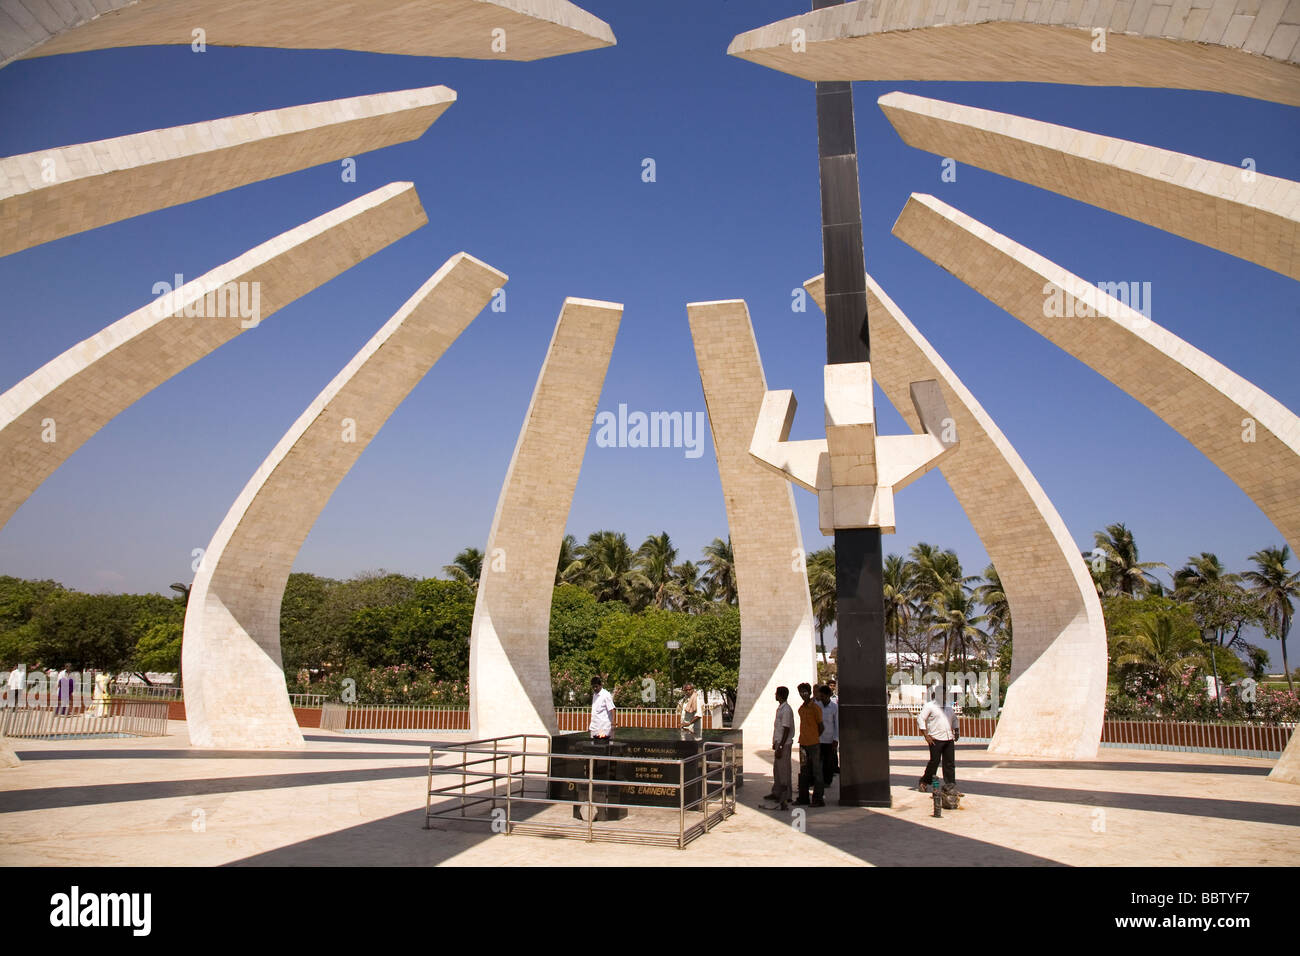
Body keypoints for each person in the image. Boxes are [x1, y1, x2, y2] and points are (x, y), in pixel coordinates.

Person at [917, 686, 960, 793]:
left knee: (949, 763)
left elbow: (954, 719)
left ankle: (950, 786)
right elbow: (921, 719)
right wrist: (926, 735)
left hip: (948, 738)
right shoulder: (930, 706)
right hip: (935, 738)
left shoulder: (948, 707)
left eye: (945, 694)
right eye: (941, 694)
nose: (943, 696)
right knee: (934, 762)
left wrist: (957, 730)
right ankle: (924, 782)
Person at [763, 686, 794, 810]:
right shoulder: (780, 708)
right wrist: (775, 743)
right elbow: (779, 728)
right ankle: (777, 792)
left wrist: (781, 745)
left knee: (783, 770)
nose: (774, 695)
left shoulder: (786, 709)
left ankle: (785, 796)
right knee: (777, 769)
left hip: (784, 744)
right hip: (779, 743)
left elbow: (786, 728)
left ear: (780, 695)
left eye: (776, 693)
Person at [796, 682, 825, 807]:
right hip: (803, 743)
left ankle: (818, 799)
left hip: (814, 744)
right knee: (804, 771)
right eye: (801, 692)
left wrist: (814, 736)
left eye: (805, 692)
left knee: (817, 771)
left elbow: (821, 726)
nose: (803, 694)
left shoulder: (815, 708)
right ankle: (803, 797)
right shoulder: (801, 709)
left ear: (809, 692)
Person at [817, 684, 839, 787]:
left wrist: (836, 739)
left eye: (823, 696)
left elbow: (837, 724)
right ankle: (819, 780)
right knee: (819, 762)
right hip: (819, 738)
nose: (821, 698)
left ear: (828, 695)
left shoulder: (834, 707)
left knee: (828, 762)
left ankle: (827, 781)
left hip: (829, 739)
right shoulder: (818, 706)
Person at [589, 676, 615, 741]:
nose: (595, 688)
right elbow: (594, 712)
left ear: (601, 685)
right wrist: (591, 725)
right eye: (593, 687)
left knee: (604, 748)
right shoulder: (594, 695)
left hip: (604, 728)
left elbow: (612, 709)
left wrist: (613, 723)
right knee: (593, 748)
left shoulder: (606, 695)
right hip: (594, 727)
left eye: (596, 686)